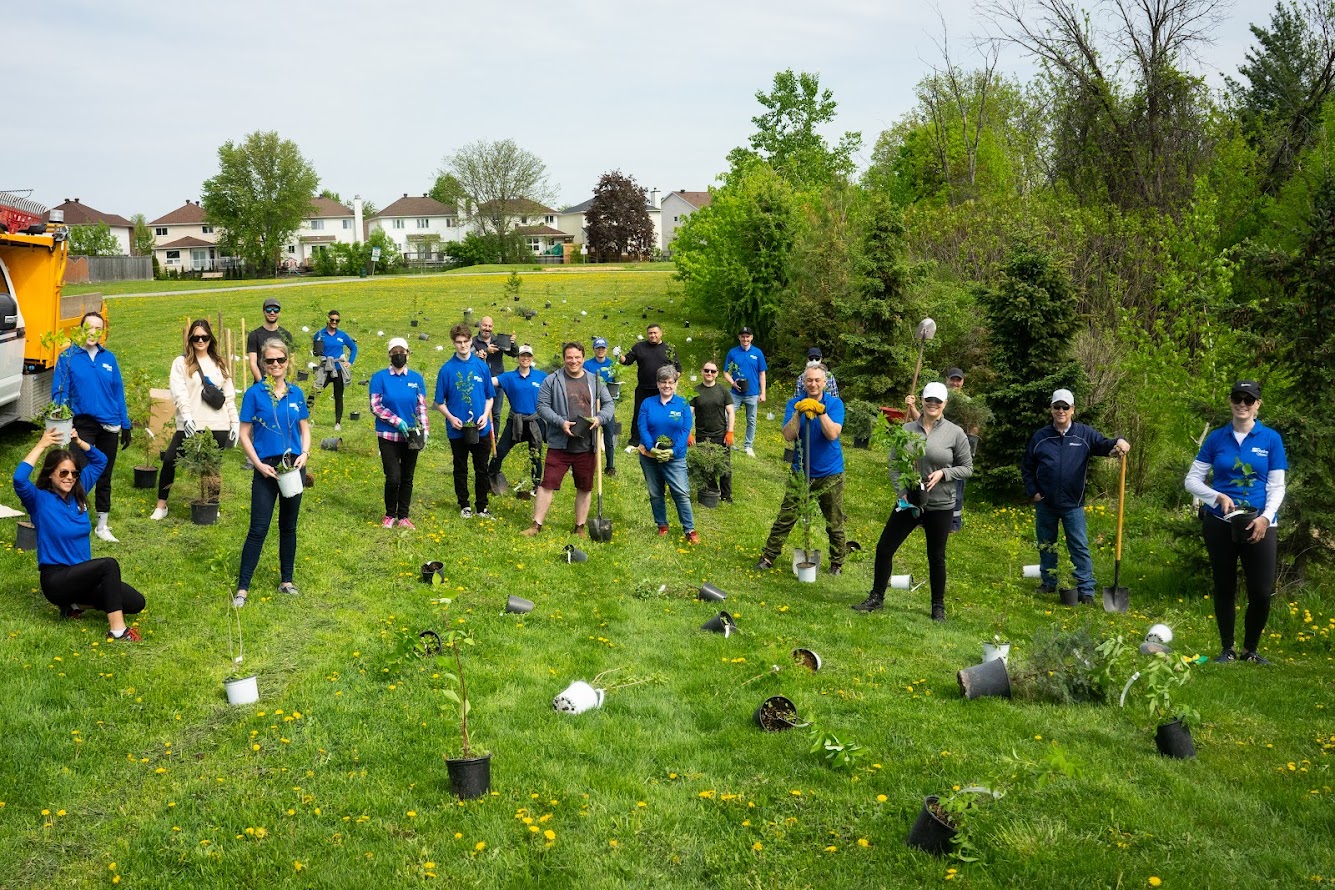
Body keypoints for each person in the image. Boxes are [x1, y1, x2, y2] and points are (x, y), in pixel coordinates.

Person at [1185, 380, 1287, 664]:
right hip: (1220, 522)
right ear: (1230, 401)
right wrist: (1216, 496)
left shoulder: (1270, 439)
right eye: (1237, 398)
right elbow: (1191, 480)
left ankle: (1250, 650)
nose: (1242, 404)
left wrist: (1266, 518)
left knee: (1261, 591)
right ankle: (1227, 649)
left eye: (1249, 399)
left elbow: (1277, 486)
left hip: (1260, 523)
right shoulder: (1217, 438)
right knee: (1224, 586)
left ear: (1258, 405)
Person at [13, 426, 146, 641]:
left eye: (74, 473)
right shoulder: (38, 500)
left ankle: (74, 606)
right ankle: (118, 631)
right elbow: (19, 479)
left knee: (136, 602)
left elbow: (100, 461)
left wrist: (78, 440)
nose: (69, 477)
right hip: (57, 579)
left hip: (83, 577)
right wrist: (43, 444)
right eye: (63, 473)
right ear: (50, 475)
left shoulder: (79, 493)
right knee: (108, 565)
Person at [853, 382, 973, 620]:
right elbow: (895, 465)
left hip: (940, 504)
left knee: (936, 556)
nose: (933, 404)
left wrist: (943, 474)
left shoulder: (955, 433)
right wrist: (902, 493)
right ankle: (877, 596)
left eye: (938, 401)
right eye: (929, 399)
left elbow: (967, 467)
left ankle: (937, 606)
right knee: (885, 547)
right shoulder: (906, 430)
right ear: (922, 400)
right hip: (910, 501)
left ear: (944, 404)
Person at [1020, 388, 1130, 604]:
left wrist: (1121, 441)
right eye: (1056, 407)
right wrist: (1033, 492)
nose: (1061, 410)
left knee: (1079, 546)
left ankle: (1086, 590)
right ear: (1051, 409)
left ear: (1073, 410)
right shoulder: (1040, 437)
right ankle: (1048, 582)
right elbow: (1027, 467)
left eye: (1065, 407)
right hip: (1046, 503)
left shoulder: (1085, 435)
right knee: (1046, 544)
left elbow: (1106, 444)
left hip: (1073, 504)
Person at [234, 337, 310, 607]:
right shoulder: (254, 394)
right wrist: (258, 464)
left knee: (288, 527)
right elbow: (244, 434)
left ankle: (286, 581)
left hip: (293, 468)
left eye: (280, 359)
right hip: (266, 468)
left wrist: (305, 453)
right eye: (270, 360)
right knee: (258, 528)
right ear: (263, 364)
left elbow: (304, 427)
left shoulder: (296, 393)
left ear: (287, 362)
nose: (276, 364)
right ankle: (243, 588)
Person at [756, 365, 847, 574]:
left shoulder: (834, 404)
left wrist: (820, 411)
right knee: (786, 516)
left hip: (829, 473)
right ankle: (768, 556)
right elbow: (788, 435)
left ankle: (837, 563)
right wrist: (799, 412)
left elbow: (833, 434)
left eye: (817, 380)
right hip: (801, 471)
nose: (813, 384)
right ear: (803, 382)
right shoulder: (793, 403)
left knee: (834, 520)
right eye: (809, 380)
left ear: (825, 382)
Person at [51, 311, 132, 543]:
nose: (93, 332)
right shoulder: (68, 358)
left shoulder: (109, 359)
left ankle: (102, 525)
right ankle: (69, 518)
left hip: (110, 425)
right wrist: (61, 423)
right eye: (89, 327)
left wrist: (125, 424)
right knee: (75, 473)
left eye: (99, 328)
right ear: (80, 329)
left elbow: (118, 392)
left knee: (104, 475)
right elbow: (59, 394)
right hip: (83, 425)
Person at [523, 341, 614, 537]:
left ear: (583, 358)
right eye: (569, 357)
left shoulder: (595, 381)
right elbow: (542, 407)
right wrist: (560, 422)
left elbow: (608, 404)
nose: (573, 361)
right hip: (559, 443)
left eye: (577, 357)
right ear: (564, 358)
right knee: (547, 484)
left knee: (585, 486)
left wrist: (599, 418)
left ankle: (579, 527)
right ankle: (536, 525)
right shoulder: (552, 380)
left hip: (586, 444)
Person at [152, 319, 240, 520]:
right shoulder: (181, 363)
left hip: (217, 423)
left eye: (204, 337)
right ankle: (161, 505)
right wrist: (187, 415)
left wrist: (234, 422)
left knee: (212, 465)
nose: (200, 340)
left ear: (210, 339)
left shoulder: (219, 363)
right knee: (170, 459)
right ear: (190, 339)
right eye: (196, 337)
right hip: (190, 423)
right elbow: (179, 392)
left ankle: (212, 504)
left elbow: (229, 396)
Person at [435, 323, 495, 520]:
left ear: (471, 341)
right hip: (457, 429)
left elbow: (490, 396)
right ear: (453, 344)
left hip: (481, 427)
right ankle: (464, 504)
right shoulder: (447, 370)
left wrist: (485, 415)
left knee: (481, 468)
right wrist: (451, 418)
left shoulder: (481, 367)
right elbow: (438, 402)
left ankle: (482, 506)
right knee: (460, 467)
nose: (462, 346)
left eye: (466, 342)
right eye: (458, 342)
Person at [370, 337, 429, 529]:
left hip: (411, 436)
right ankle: (389, 514)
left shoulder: (416, 379)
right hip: (388, 435)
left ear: (408, 354)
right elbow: (376, 406)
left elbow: (421, 407)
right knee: (393, 476)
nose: (398, 355)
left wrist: (424, 430)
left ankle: (403, 515)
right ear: (389, 355)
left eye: (402, 352)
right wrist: (398, 421)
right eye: (394, 352)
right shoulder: (380, 378)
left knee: (407, 476)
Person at [637, 366, 699, 542]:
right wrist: (651, 448)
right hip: (650, 457)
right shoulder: (647, 403)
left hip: (675, 458)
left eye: (670, 382)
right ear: (657, 384)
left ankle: (689, 530)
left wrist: (673, 451)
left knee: (681, 492)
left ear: (675, 384)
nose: (666, 385)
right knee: (656, 492)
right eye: (663, 382)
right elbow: (642, 426)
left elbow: (686, 429)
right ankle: (662, 525)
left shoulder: (683, 404)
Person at [489, 344, 547, 493]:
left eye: (528, 356)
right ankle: (490, 478)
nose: (525, 358)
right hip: (516, 421)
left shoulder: (541, 376)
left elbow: (557, 384)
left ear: (532, 358)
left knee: (536, 455)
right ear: (518, 358)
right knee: (500, 451)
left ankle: (536, 485)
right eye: (522, 355)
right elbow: (490, 382)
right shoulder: (509, 377)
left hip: (535, 421)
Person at [618, 323, 680, 448]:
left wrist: (670, 383)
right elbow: (627, 361)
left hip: (662, 390)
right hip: (643, 388)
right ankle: (635, 441)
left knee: (662, 414)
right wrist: (618, 356)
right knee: (639, 414)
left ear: (660, 333)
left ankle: (662, 439)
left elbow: (678, 368)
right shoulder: (639, 347)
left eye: (655, 333)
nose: (653, 335)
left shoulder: (668, 349)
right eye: (650, 333)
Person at [690, 360, 736, 503]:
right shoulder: (695, 391)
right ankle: (710, 490)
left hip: (720, 435)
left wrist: (730, 431)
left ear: (716, 374)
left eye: (713, 371)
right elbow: (688, 414)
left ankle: (726, 495)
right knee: (706, 465)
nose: (709, 373)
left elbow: (731, 412)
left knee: (725, 466)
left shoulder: (723, 391)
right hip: (702, 435)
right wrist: (688, 433)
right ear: (702, 372)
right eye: (707, 370)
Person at [723, 327, 767, 457]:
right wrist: (733, 383)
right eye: (743, 336)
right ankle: (728, 441)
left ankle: (748, 446)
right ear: (739, 338)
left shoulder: (758, 353)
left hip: (752, 393)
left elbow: (762, 373)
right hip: (735, 393)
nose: (745, 339)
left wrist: (763, 392)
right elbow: (725, 372)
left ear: (752, 337)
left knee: (751, 420)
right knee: (726, 416)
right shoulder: (733, 353)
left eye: (747, 336)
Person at [310, 309, 357, 430]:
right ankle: (305, 418)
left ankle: (337, 423)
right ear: (328, 320)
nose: (334, 322)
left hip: (338, 369)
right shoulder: (320, 334)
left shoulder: (342, 335)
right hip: (325, 369)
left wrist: (349, 362)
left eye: (337, 320)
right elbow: (316, 351)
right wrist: (319, 354)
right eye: (332, 320)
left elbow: (353, 347)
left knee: (338, 396)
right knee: (314, 392)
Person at [473, 316, 519, 432]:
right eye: (484, 325)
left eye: (489, 326)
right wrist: (485, 352)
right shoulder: (473, 341)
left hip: (497, 380)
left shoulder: (498, 340)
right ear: (480, 326)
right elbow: (466, 359)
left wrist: (512, 344)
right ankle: (478, 436)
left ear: (492, 327)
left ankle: (494, 439)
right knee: (479, 410)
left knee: (496, 413)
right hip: (479, 382)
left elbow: (514, 354)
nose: (487, 328)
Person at [584, 337, 618, 477]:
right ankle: (586, 464)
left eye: (603, 348)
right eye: (598, 348)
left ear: (606, 349)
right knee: (587, 436)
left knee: (609, 436)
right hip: (591, 404)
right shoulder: (587, 365)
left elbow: (615, 383)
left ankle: (610, 466)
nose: (600, 350)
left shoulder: (612, 365)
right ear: (594, 349)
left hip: (607, 405)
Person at [246, 297, 294, 383]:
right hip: (262, 381)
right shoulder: (254, 335)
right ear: (263, 311)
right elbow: (253, 363)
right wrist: (262, 383)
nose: (272, 313)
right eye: (268, 310)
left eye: (276, 310)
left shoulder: (286, 335)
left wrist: (288, 382)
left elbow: (291, 361)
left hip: (281, 383)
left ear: (279, 312)